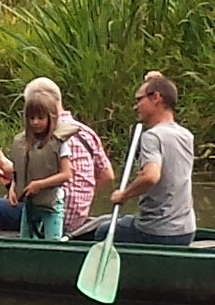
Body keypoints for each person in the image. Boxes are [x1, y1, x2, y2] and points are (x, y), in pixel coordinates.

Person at [76, 70, 198, 244]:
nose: (135, 106)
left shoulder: (152, 137)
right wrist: (157, 81)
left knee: (103, 231)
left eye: (139, 100)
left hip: (155, 232)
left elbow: (151, 176)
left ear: (156, 98)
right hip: (186, 231)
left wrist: (124, 195)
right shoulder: (186, 135)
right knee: (111, 220)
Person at [0, 79, 79, 236]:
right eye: (32, 118)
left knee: (52, 244)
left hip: (52, 205)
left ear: (50, 118)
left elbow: (66, 174)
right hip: (30, 205)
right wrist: (14, 187)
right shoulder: (23, 143)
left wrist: (40, 184)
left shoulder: (59, 143)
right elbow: (19, 172)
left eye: (41, 118)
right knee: (25, 239)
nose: (36, 122)